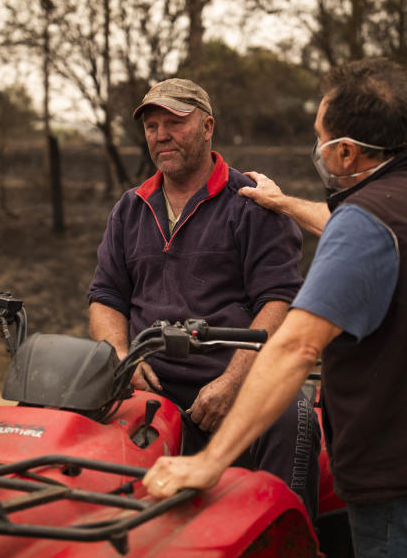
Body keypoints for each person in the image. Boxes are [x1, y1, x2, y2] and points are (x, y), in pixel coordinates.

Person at [143, 59, 407, 557]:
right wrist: (287, 203)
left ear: (343, 152)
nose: (315, 147)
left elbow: (296, 347)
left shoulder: (366, 224)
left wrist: (211, 461)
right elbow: (359, 226)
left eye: (319, 136)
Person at [87, 77, 321, 520]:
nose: (161, 135)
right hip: (150, 381)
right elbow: (105, 295)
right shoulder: (130, 207)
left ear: (208, 125)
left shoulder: (252, 204)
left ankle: (287, 536)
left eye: (174, 122)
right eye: (152, 126)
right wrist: (121, 357)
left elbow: (278, 301)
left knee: (293, 416)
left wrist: (233, 383)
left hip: (236, 376)